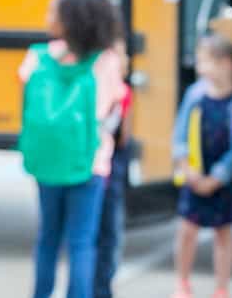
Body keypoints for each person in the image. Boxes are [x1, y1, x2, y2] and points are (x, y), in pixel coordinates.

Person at [19, 0, 123, 298]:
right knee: (81, 241)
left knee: (48, 238)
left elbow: (25, 102)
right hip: (90, 163)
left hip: (47, 161)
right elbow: (111, 110)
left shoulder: (37, 57)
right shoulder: (106, 61)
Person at [171, 35, 232, 298]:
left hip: (223, 181)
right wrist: (188, 170)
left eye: (205, 61)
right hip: (194, 175)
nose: (199, 67)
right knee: (186, 231)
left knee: (223, 234)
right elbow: (180, 134)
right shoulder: (195, 95)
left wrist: (215, 179)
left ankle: (221, 288)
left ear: (225, 64)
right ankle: (182, 283)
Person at [94, 36, 133, 298]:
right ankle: (102, 288)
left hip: (95, 171)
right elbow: (124, 137)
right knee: (109, 234)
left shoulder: (94, 88)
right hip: (110, 169)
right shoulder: (121, 93)